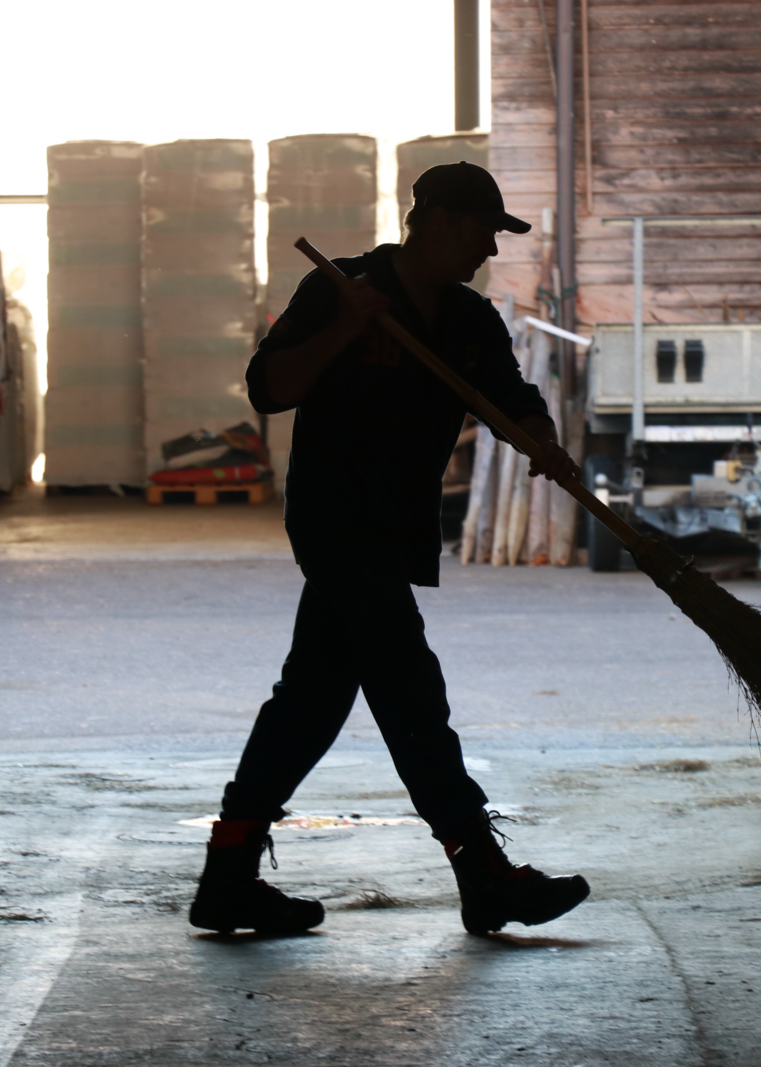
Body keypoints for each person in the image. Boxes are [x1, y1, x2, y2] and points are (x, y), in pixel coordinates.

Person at [188, 162, 591, 937]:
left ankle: (228, 875)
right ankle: (483, 869)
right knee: (410, 691)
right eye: (481, 231)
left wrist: (541, 439)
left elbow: (511, 399)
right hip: (335, 520)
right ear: (434, 220)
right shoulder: (340, 288)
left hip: (397, 526)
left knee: (310, 703)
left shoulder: (469, 319)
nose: (489, 250)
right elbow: (270, 388)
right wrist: (346, 326)